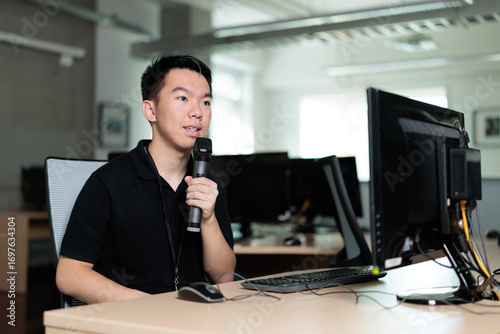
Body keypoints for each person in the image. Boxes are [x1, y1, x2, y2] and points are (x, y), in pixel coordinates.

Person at [56, 55, 236, 304]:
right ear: (150, 110)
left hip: (195, 315)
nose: (197, 113)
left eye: (205, 102)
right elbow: (69, 275)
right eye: (183, 98)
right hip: (131, 318)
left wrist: (208, 217)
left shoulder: (209, 185)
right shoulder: (108, 182)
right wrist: (147, 305)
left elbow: (225, 278)